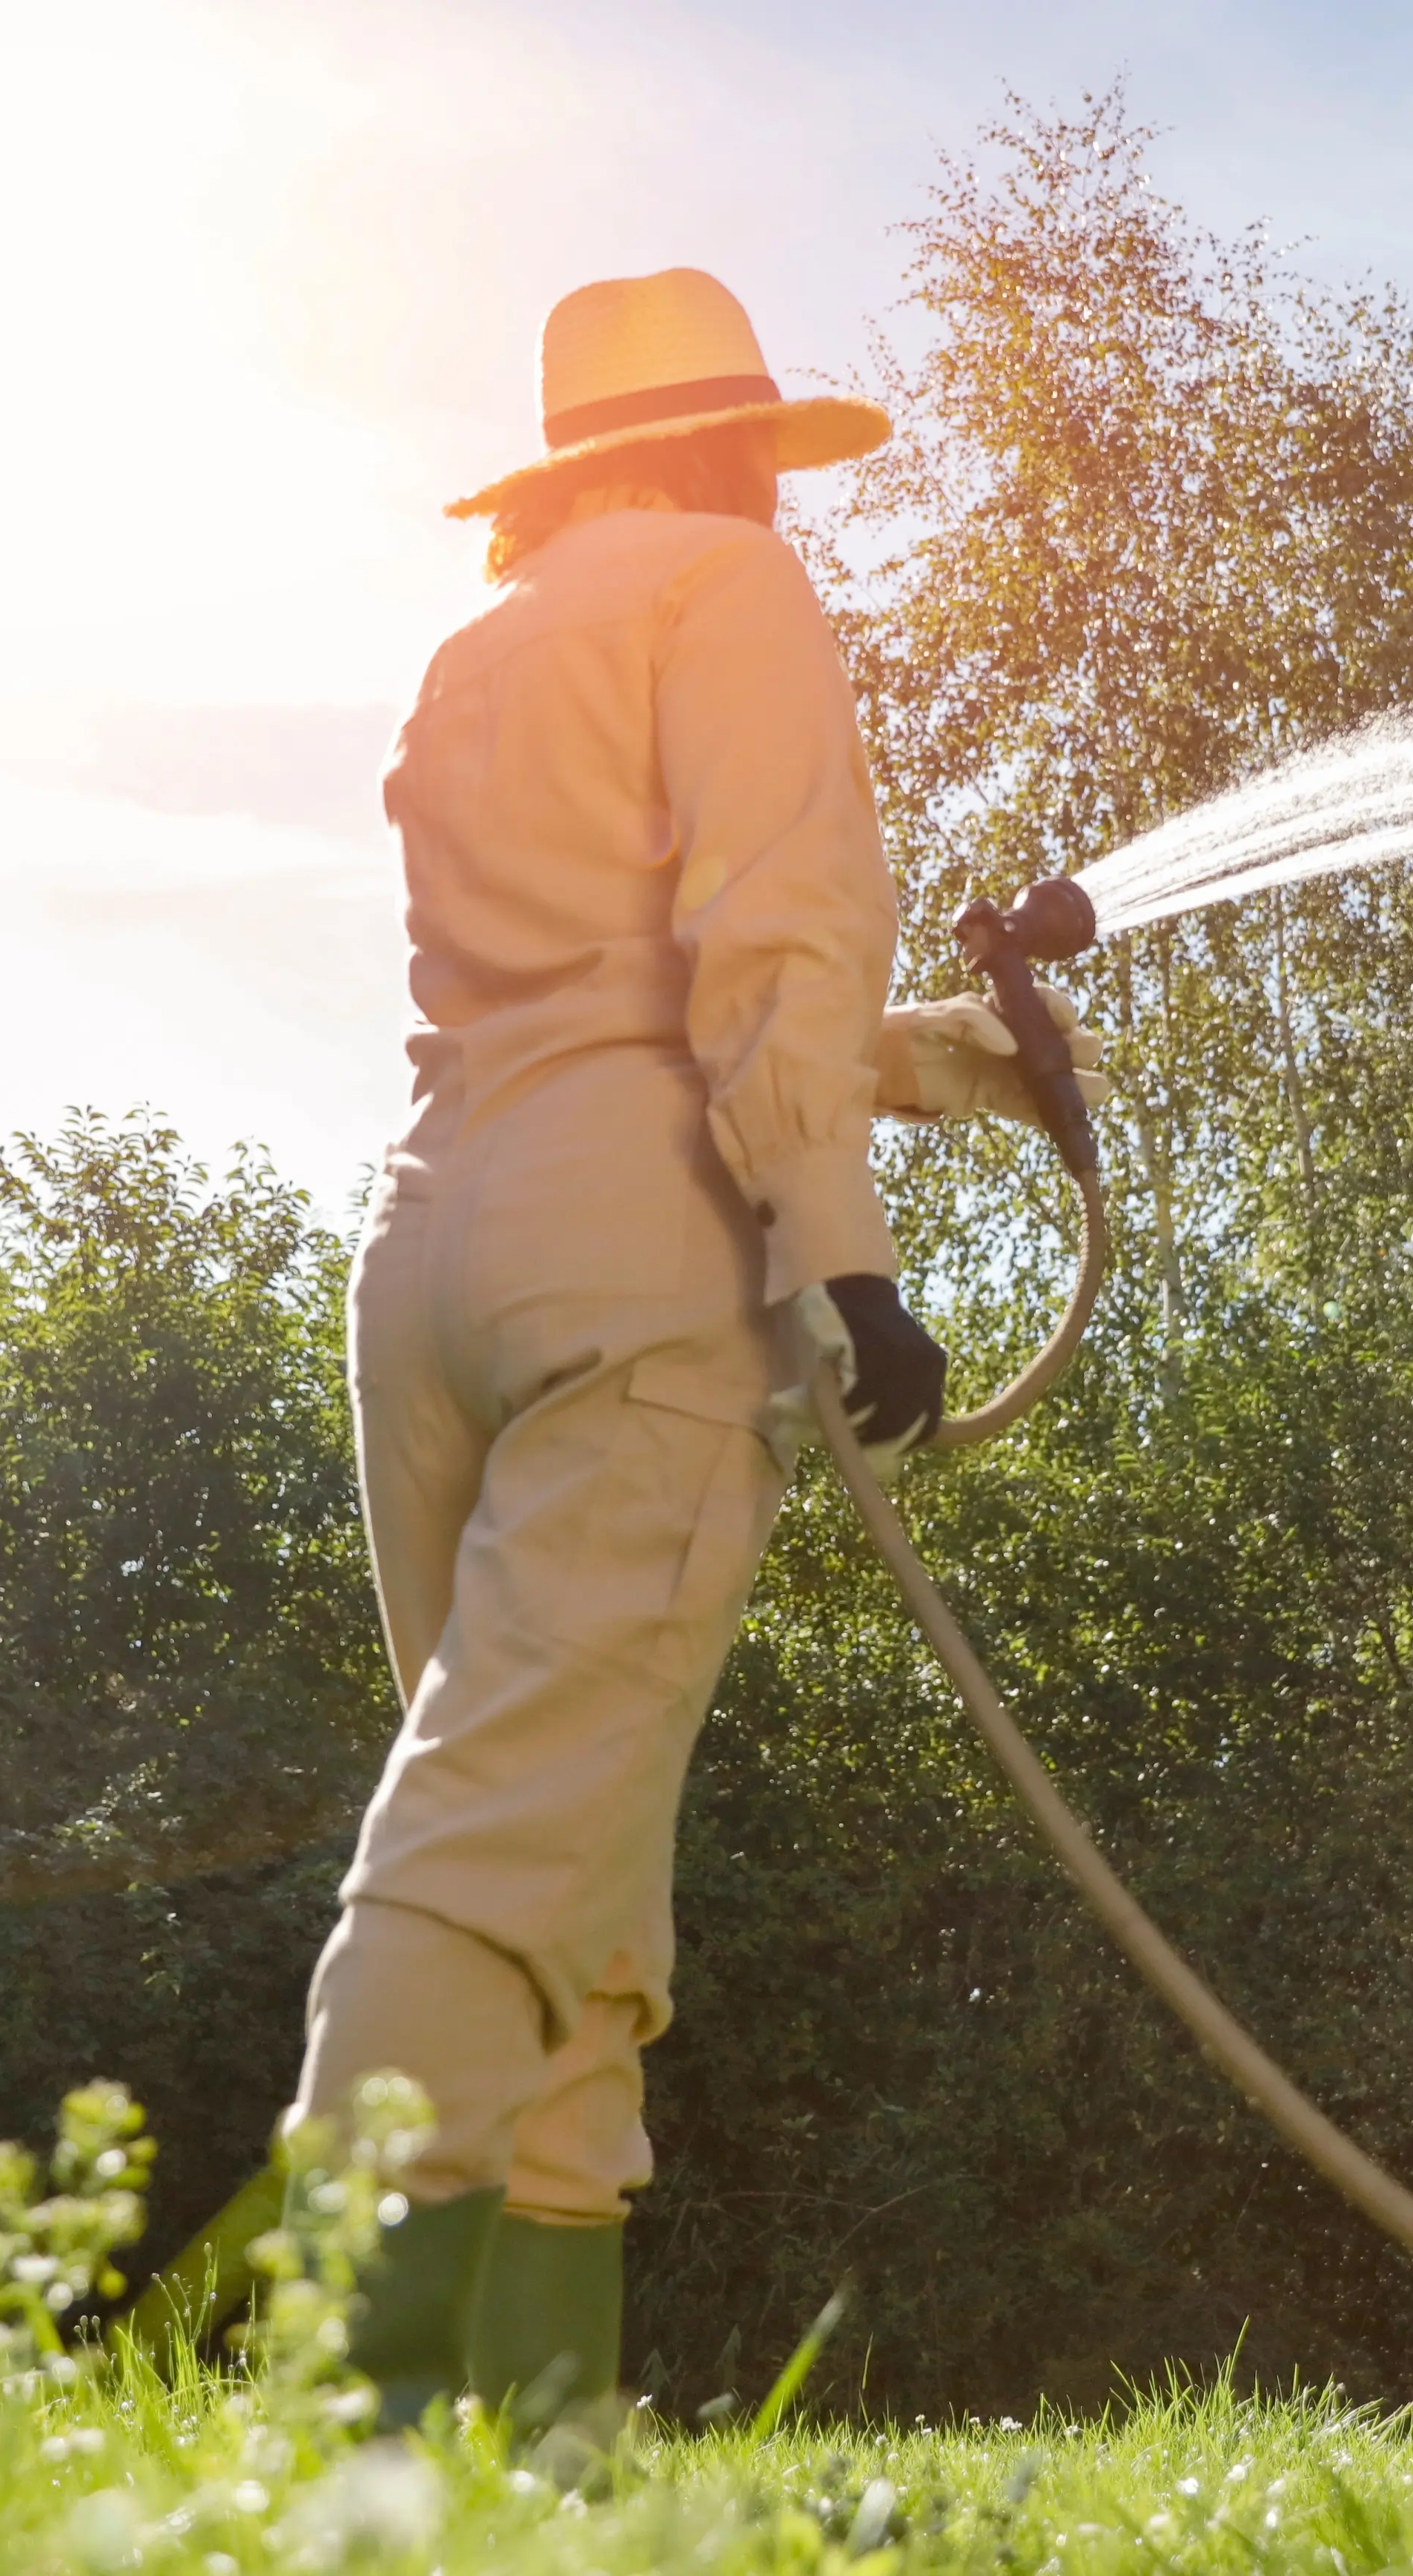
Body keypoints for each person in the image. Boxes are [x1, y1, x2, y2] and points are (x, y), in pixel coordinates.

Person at [285, 267, 1105, 2425]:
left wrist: (940, 1070)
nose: (781, 497)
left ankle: (535, 2451)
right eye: (765, 456)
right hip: (640, 1267)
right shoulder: (729, 588)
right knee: (492, 1854)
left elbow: (616, 990)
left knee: (560, 1859)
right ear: (723, 449)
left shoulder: (486, 643)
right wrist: (849, 1268)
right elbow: (766, 933)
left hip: (441, 1251)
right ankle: (348, 2435)